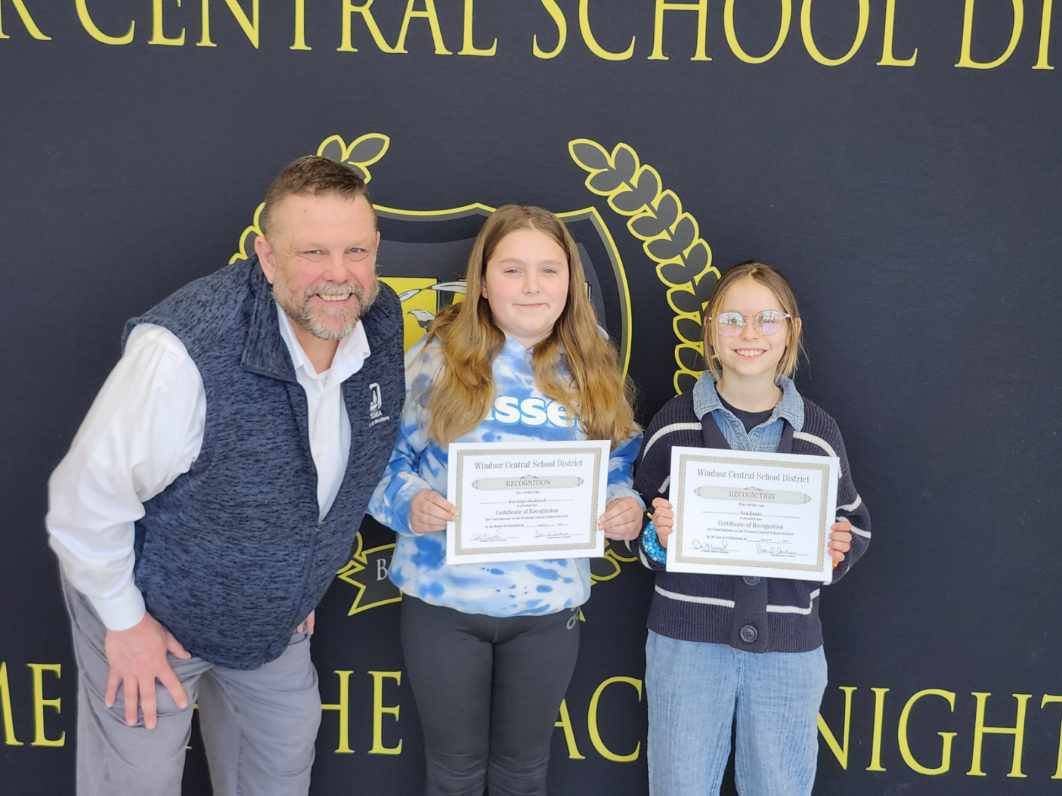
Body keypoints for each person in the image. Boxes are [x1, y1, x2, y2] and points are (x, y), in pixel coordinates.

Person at [45, 155, 404, 796]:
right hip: (150, 607)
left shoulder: (379, 321)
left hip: (270, 624)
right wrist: (124, 625)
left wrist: (297, 580)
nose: (339, 276)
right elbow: (84, 502)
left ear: (376, 247)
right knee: (137, 785)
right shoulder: (184, 349)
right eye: (312, 253)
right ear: (267, 258)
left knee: (280, 772)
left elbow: (351, 465)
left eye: (355, 251)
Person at [368, 204, 643, 795]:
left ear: (572, 282)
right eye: (512, 270)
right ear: (484, 282)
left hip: (545, 612)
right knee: (454, 772)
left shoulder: (593, 363)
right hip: (445, 605)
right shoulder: (438, 360)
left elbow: (617, 463)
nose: (532, 286)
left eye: (549, 270)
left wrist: (624, 505)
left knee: (524, 773)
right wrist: (410, 502)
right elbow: (380, 463)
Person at [635, 261, 872, 795]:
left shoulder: (818, 432)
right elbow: (640, 527)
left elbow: (855, 524)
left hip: (788, 653)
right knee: (679, 785)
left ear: (791, 331)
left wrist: (837, 549)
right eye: (732, 319)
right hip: (686, 646)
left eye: (767, 318)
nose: (749, 333)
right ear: (710, 330)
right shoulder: (674, 423)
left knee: (780, 786)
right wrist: (658, 535)